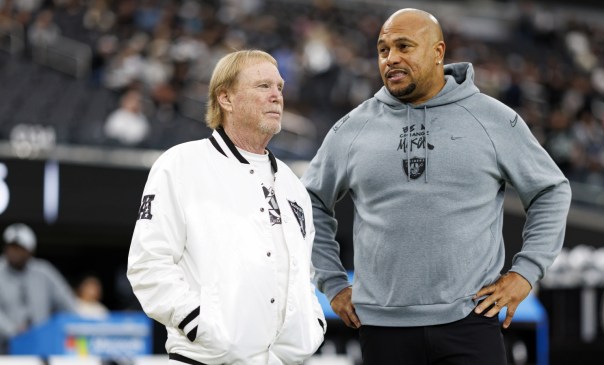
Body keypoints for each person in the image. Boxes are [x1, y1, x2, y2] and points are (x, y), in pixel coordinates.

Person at [301, 8, 572, 365]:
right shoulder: (352, 128)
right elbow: (308, 204)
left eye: (404, 46)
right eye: (383, 50)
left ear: (438, 52)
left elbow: (551, 191)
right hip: (382, 330)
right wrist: (332, 283)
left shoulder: (493, 119)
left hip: (472, 323)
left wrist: (525, 273)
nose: (391, 58)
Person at [127, 50, 326, 365]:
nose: (277, 96)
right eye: (263, 86)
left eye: (280, 88)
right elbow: (148, 264)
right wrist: (200, 325)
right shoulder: (181, 165)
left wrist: (311, 328)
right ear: (226, 98)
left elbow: (306, 274)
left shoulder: (293, 185)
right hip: (207, 359)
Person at [0, 223, 78, 353]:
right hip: (4, 348)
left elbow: (68, 304)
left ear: (31, 250)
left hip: (42, 346)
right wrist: (13, 330)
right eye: (11, 247)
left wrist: (59, 328)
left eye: (19, 248)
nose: (14, 252)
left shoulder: (44, 272)